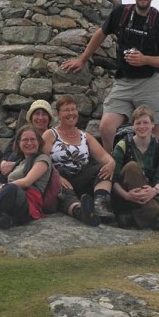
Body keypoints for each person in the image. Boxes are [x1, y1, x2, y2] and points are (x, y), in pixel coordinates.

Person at [61, 0, 159, 152]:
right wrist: (82, 59)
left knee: (154, 131)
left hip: (150, 82)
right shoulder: (121, 13)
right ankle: (113, 164)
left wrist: (144, 59)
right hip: (123, 82)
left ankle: (157, 172)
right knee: (106, 126)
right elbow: (101, 33)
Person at [41, 94, 116, 226]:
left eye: (73, 109)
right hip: (58, 177)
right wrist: (57, 176)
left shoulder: (85, 136)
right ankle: (81, 211)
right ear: (58, 114)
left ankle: (100, 205)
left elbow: (104, 157)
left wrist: (111, 163)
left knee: (103, 169)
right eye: (66, 110)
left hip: (80, 177)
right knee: (65, 192)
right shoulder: (50, 134)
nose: (71, 113)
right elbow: (41, 160)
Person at [0, 99, 53, 196]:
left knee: (15, 155)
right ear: (31, 118)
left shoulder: (51, 136)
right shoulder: (23, 133)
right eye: (37, 114)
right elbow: (8, 151)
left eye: (44, 114)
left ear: (49, 118)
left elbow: (41, 159)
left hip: (25, 176)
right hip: (8, 174)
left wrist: (15, 165)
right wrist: (3, 163)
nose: (40, 118)